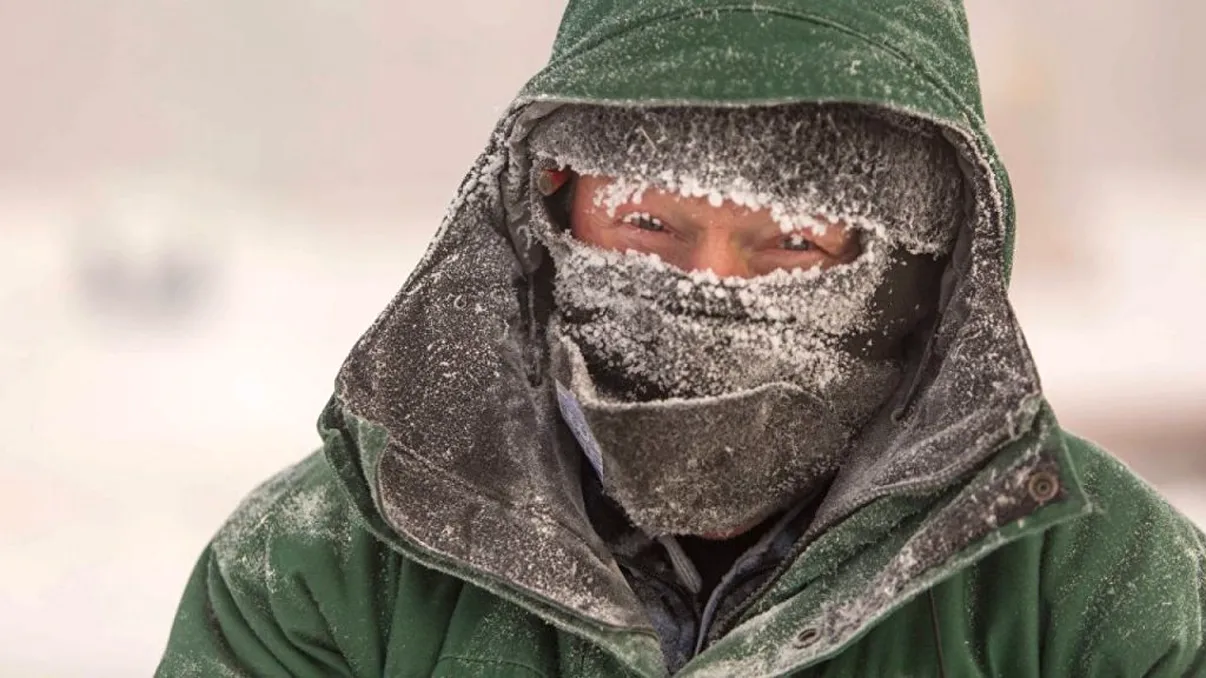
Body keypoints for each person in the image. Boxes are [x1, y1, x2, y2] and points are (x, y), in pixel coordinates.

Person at [157, 1, 1206, 676]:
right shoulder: (322, 572)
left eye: (791, 241)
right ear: (552, 206)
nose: (706, 286)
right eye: (650, 225)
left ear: (918, 262)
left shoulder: (1099, 592)